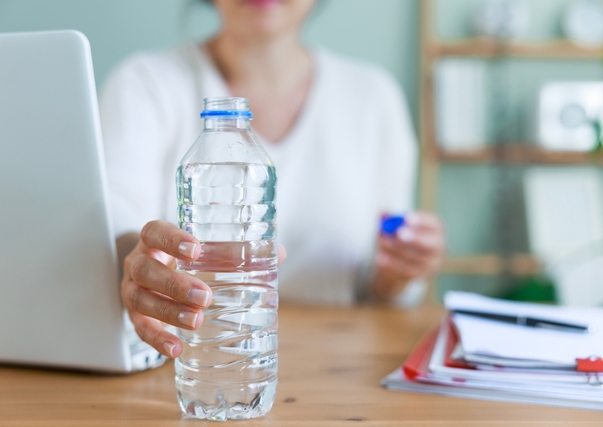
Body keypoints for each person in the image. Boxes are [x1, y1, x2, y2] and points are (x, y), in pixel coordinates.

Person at [99, 0, 445, 359]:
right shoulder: (145, 82)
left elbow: (381, 291)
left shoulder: (373, 97)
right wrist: (138, 262)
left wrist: (402, 270)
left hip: (338, 364)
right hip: (199, 356)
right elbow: (115, 221)